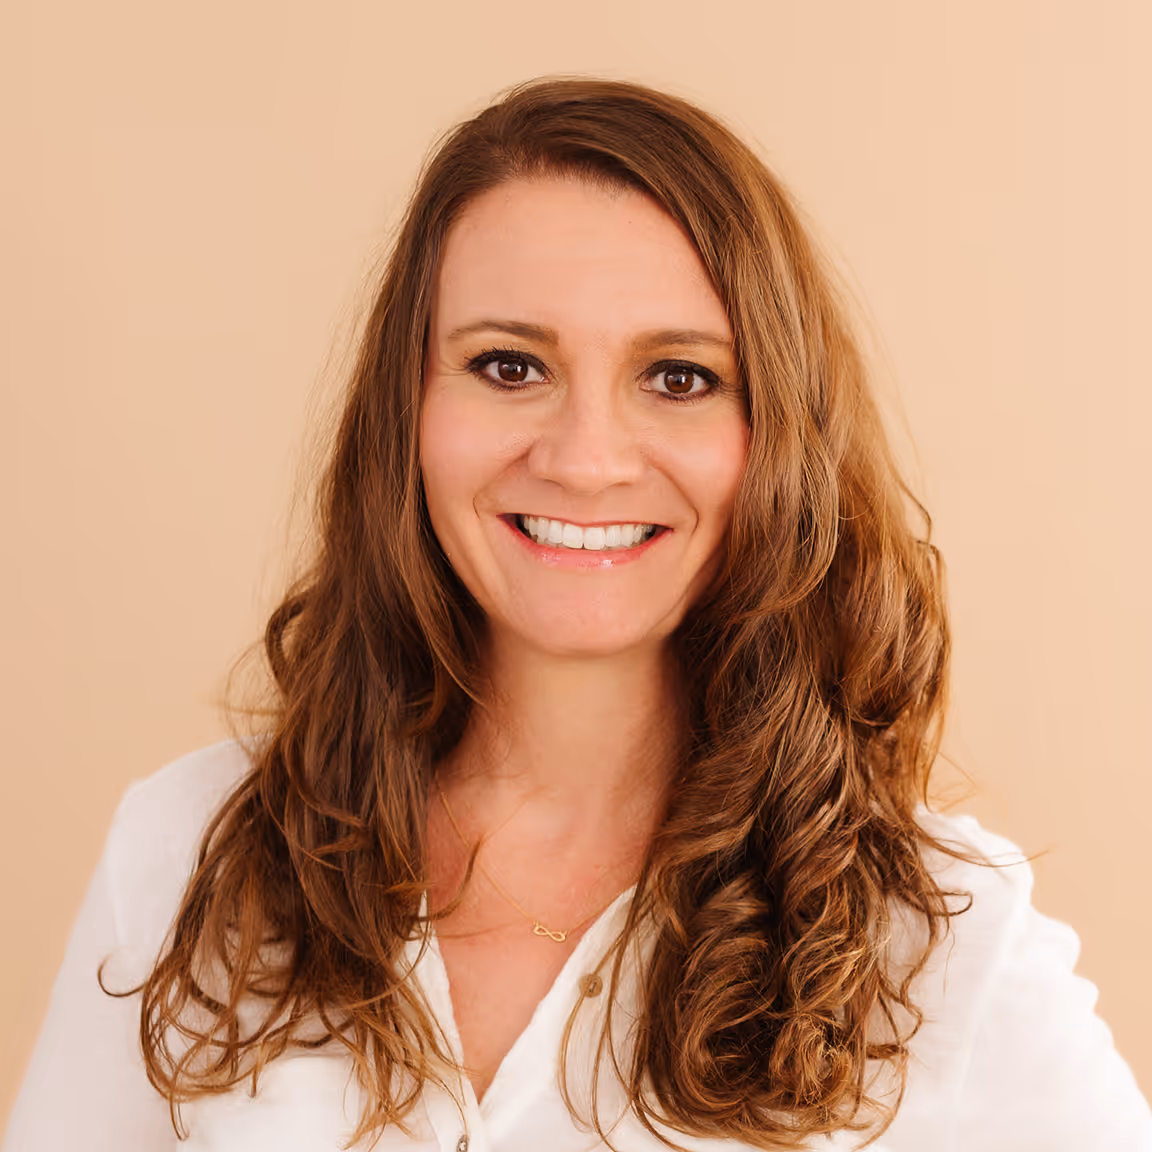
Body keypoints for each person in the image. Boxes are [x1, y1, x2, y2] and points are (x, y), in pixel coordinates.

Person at [4, 76, 1150, 1152]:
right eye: (508, 366)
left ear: (779, 439)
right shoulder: (186, 846)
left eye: (680, 377)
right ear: (407, 410)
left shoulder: (939, 937)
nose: (585, 459)